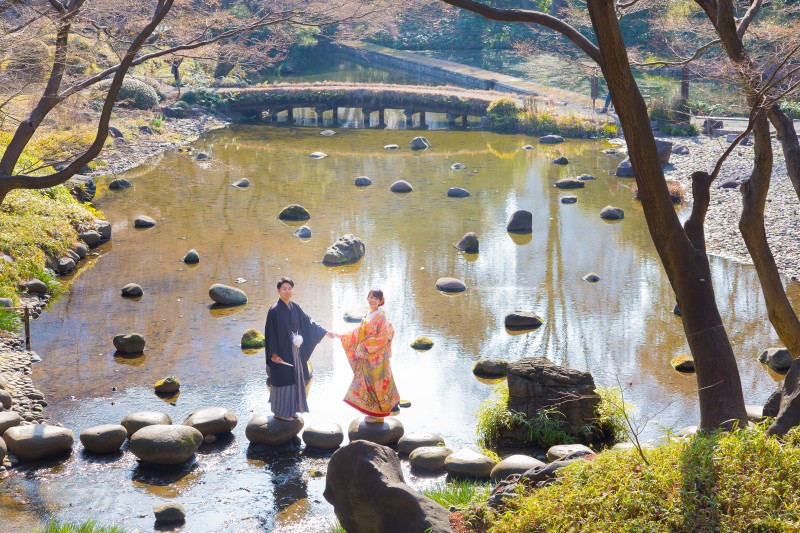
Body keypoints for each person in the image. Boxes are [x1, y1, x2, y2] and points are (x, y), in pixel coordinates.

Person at [264, 277, 335, 421]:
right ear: (278, 291)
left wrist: (324, 332)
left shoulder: (294, 307)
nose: (287, 291)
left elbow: (308, 322)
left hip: (295, 350)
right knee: (283, 379)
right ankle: (280, 412)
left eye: (289, 288)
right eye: (284, 289)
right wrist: (273, 354)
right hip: (281, 351)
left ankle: (290, 409)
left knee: (295, 378)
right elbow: (270, 333)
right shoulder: (274, 311)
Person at [338, 289, 400, 423]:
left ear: (380, 301)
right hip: (366, 355)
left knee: (377, 383)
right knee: (367, 383)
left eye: (376, 299)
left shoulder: (381, 317)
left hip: (376, 357)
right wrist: (343, 336)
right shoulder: (368, 315)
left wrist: (365, 345)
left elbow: (383, 337)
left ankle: (379, 413)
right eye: (371, 297)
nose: (372, 300)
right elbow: (359, 332)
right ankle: (372, 411)